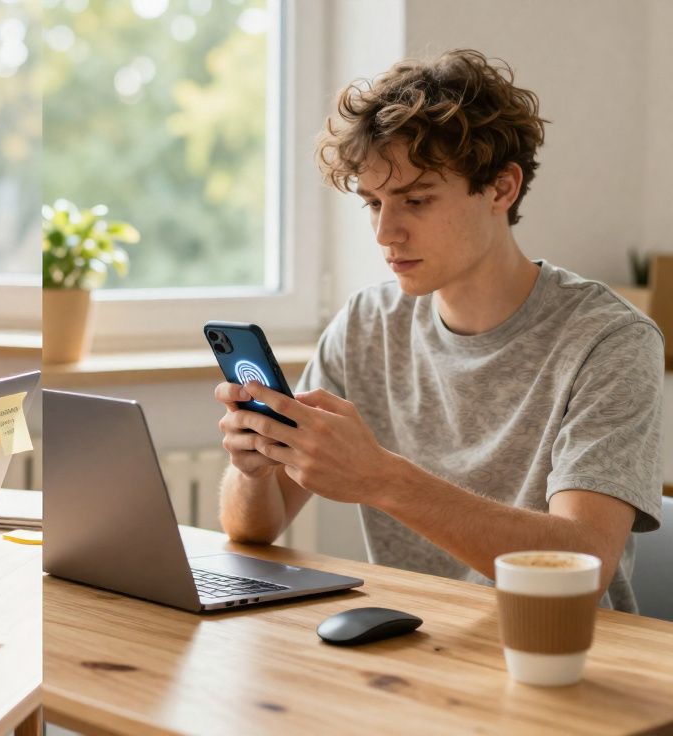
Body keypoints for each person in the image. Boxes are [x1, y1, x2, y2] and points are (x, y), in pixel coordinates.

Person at [215, 49, 662, 613]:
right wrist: (252, 467)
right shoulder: (364, 326)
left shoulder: (610, 342)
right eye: (372, 203)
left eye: (416, 200)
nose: (384, 232)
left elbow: (583, 565)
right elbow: (255, 529)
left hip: (557, 653)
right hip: (411, 650)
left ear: (501, 189)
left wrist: (382, 479)